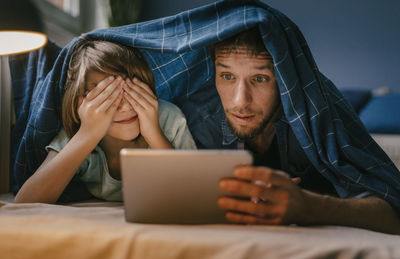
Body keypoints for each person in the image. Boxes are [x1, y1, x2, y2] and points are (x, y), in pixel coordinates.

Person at [208, 28, 400, 234]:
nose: (240, 101)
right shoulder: (200, 121)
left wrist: (308, 206)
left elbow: (394, 214)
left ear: (286, 81)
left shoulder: (321, 118)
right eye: (227, 76)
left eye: (261, 78)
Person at [14, 37, 196, 203]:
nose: (124, 107)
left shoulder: (169, 119)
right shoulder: (78, 132)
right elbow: (25, 202)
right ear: (82, 106)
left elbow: (194, 191)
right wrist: (88, 135)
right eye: (107, 96)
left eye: (131, 91)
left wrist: (154, 134)